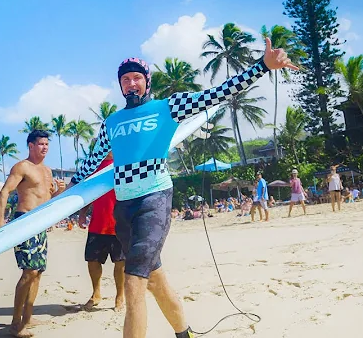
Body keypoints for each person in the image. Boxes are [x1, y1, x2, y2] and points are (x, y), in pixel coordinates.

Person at [63, 38, 297, 338]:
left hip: (153, 201)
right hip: (123, 209)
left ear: (147, 82)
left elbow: (219, 93)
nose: (131, 84)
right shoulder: (111, 123)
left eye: (137, 78)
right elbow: (90, 164)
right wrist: (66, 189)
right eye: (125, 80)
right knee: (156, 280)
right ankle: (184, 334)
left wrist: (264, 66)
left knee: (134, 282)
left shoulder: (167, 107)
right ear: (120, 86)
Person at [0, 130, 66, 337]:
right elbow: (5, 192)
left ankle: (28, 317)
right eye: (41, 144)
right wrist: (0, 221)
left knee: (38, 272)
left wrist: (59, 191)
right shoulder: (22, 167)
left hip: (41, 224)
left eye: (47, 144)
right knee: (29, 272)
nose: (45, 147)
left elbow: (48, 198)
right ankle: (16, 324)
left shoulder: (47, 171)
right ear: (31, 146)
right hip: (24, 222)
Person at [78, 151, 126, 311]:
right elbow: (88, 193)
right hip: (98, 224)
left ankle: (120, 296)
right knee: (92, 261)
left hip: (120, 223)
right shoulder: (94, 167)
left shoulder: (123, 164)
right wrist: (83, 213)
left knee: (120, 262)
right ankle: (96, 293)